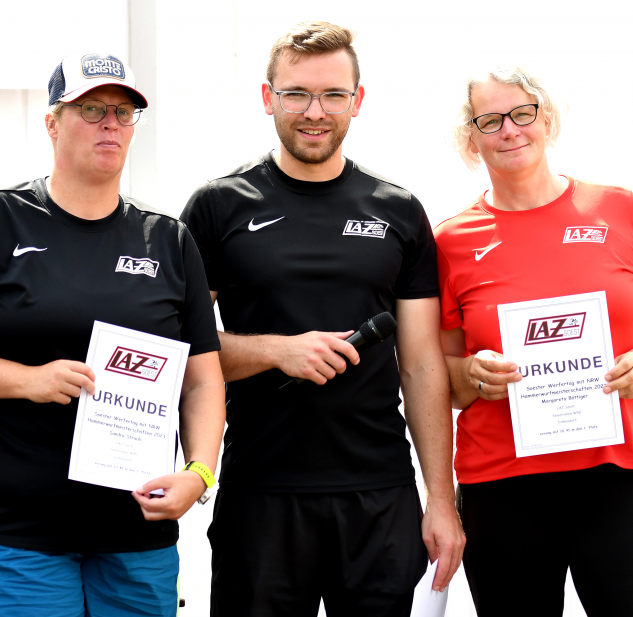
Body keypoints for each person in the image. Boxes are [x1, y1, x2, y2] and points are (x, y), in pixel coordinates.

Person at [0, 52, 226, 617]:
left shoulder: (168, 240)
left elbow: (201, 382)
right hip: (13, 535)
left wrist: (198, 473)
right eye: (92, 109)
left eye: (124, 114)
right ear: (52, 122)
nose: (110, 125)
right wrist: (26, 380)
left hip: (135, 537)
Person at [179, 21, 464, 617]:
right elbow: (187, 353)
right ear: (268, 98)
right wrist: (276, 351)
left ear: (357, 102)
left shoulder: (398, 211)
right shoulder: (218, 206)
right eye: (296, 94)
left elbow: (419, 365)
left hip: (379, 496)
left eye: (333, 95)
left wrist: (442, 498)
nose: (315, 111)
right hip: (261, 494)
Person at [435, 67, 633, 616]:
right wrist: (474, 375)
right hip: (502, 486)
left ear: (546, 119)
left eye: (522, 113)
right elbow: (444, 381)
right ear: (470, 138)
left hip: (616, 473)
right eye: (490, 120)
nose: (510, 130)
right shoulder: (450, 241)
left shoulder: (618, 209)